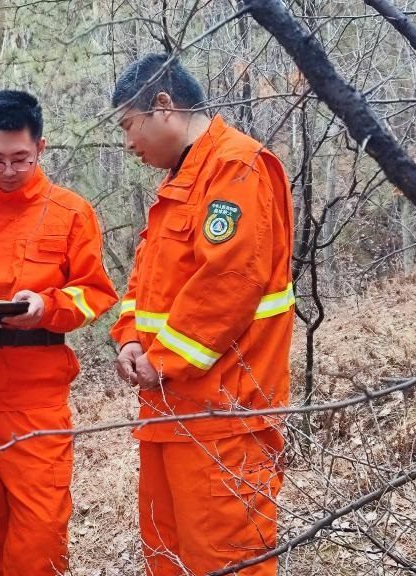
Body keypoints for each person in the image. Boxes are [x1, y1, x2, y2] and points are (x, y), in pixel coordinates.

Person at [109, 53, 295, 576]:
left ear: (163, 105)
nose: (128, 143)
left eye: (129, 125)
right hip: (168, 414)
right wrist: (129, 338)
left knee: (227, 560)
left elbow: (229, 282)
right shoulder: (180, 181)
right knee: (167, 557)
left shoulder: (236, 167)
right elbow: (146, 281)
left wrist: (162, 360)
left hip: (223, 418)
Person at [0, 89, 118, 575]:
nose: (8, 170)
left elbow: (94, 292)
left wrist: (47, 307)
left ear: (41, 148)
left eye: (20, 159)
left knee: (39, 532)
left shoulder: (71, 213)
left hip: (35, 397)